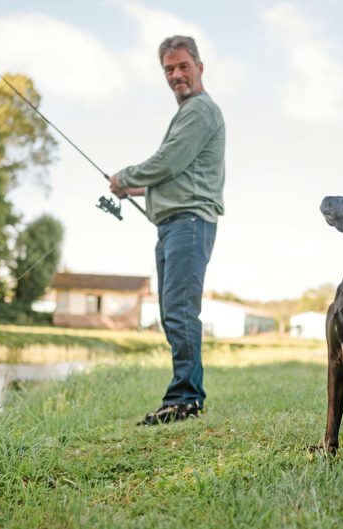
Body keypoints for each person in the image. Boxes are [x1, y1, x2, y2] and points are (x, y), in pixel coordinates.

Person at [110, 35, 225, 426]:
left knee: (180, 312)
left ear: (200, 67)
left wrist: (125, 175)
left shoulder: (199, 110)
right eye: (169, 70)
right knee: (172, 312)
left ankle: (186, 400)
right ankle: (185, 395)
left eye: (183, 66)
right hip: (175, 224)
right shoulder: (190, 113)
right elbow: (179, 173)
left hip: (189, 224)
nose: (176, 75)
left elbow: (169, 160)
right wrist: (136, 189)